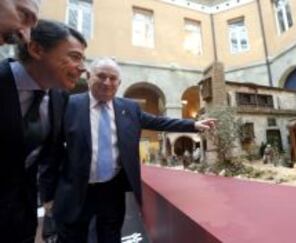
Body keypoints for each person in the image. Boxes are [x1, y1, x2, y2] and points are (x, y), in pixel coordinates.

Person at [41, 58, 216, 242]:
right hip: (76, 190)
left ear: (119, 83)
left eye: (113, 78)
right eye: (101, 76)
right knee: (73, 237)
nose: (107, 82)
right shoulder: (70, 105)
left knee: (110, 235)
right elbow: (50, 152)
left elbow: (160, 122)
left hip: (111, 190)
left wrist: (194, 124)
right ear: (88, 77)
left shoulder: (129, 108)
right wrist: (47, 195)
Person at [0, 20, 87, 243]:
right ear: (37, 49)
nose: (83, 68)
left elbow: (49, 154)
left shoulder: (58, 98)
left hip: (21, 218)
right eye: (75, 57)